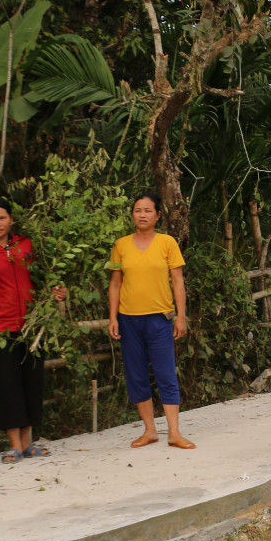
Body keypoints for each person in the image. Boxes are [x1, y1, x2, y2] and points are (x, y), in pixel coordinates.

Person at [0, 197, 64, 463]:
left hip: (33, 327)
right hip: (0, 331)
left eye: (2, 218)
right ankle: (14, 445)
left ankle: (29, 442)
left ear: (11, 219)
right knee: (8, 386)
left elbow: (47, 278)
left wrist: (57, 292)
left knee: (32, 383)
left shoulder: (28, 246)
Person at [108, 192, 195, 449]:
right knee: (136, 375)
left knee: (166, 373)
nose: (142, 215)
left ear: (158, 215)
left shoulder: (167, 243)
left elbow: (178, 281)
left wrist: (181, 316)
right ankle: (149, 431)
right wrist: (113, 317)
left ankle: (174, 433)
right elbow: (115, 283)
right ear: (132, 214)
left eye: (148, 210)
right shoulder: (121, 245)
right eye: (138, 210)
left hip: (160, 319)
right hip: (128, 320)